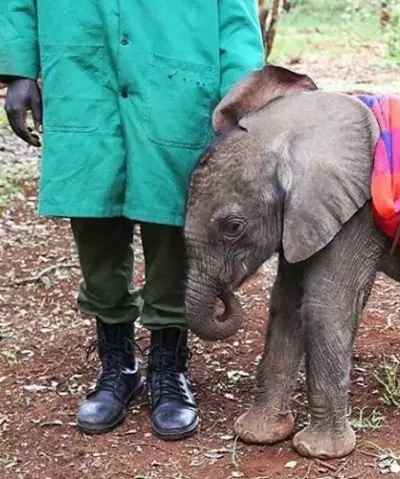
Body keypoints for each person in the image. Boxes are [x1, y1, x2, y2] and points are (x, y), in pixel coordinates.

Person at [0, 2, 265, 440]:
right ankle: (117, 365)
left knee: (171, 222)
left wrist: (240, 98)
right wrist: (18, 68)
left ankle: (168, 365)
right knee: (94, 218)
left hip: (175, 75)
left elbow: (236, 16)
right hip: (84, 70)